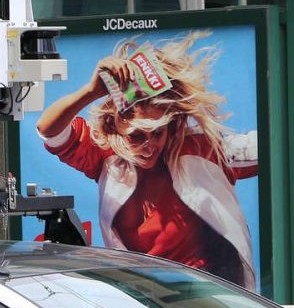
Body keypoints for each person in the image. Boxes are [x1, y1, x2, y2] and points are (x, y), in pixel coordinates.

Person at [35, 31, 258, 289]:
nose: (148, 145)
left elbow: (268, 147)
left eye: (157, 133)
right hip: (146, 296)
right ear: (116, 128)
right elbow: (48, 129)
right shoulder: (105, 157)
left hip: (206, 292)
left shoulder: (200, 147)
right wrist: (90, 91)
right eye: (137, 135)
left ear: (170, 126)